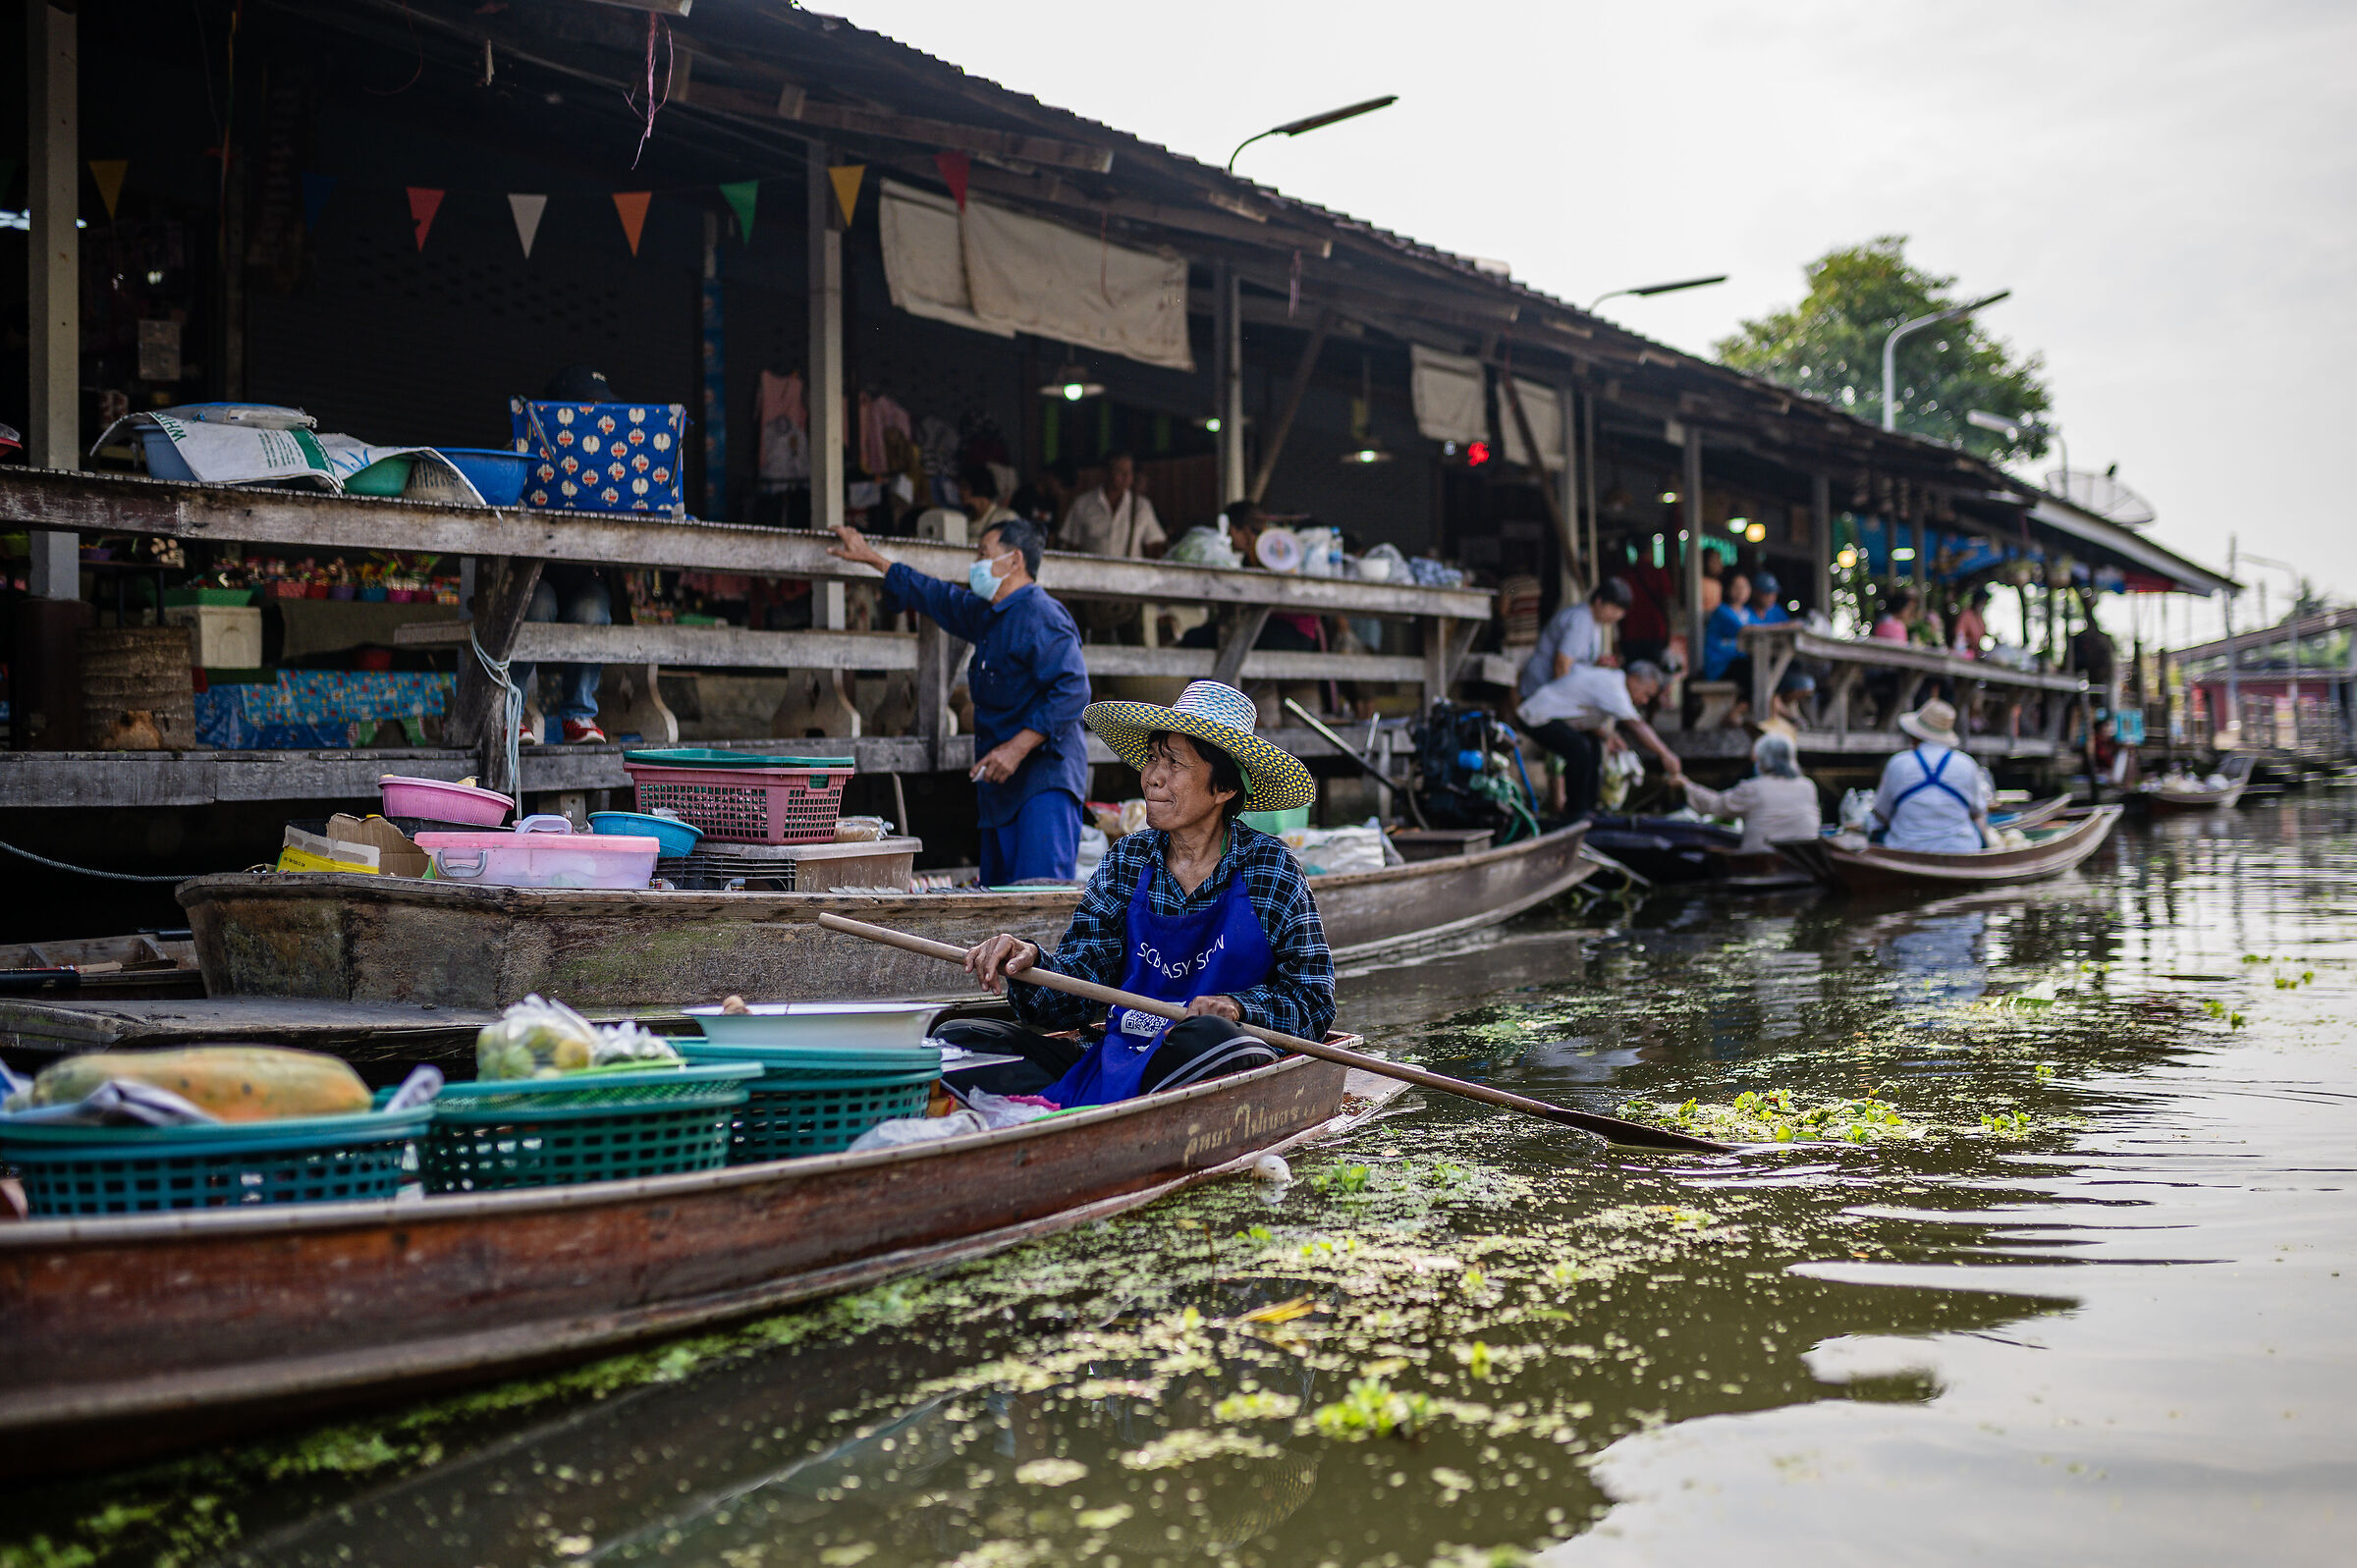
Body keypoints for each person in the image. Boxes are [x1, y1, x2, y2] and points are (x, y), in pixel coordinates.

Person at [943, 680, 1332, 1108]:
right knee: (956, 1040)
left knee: (1212, 1037)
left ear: (1223, 789)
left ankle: (1132, 1102)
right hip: (1121, 1053)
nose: (1152, 777)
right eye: (1152, 758)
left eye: (1174, 763)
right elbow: (1079, 987)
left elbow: (1313, 1001)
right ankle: (1116, 1101)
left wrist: (1238, 1008)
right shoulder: (1128, 859)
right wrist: (1028, 963)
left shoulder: (1269, 866)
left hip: (1204, 1056)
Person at [829, 514, 1090, 885]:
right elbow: (937, 596)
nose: (976, 563)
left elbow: (1073, 690)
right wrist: (873, 558)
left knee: (1038, 898)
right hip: (1000, 789)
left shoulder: (1042, 615)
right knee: (999, 903)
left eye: (983, 553)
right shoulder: (989, 615)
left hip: (1042, 784)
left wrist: (1016, 749)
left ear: (1014, 560)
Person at [514, 364, 624, 744]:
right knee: (536, 605)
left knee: (593, 610)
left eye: (603, 408)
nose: (597, 416)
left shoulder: (619, 461)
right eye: (587, 406)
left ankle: (579, 715)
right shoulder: (529, 449)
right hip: (535, 573)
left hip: (585, 574)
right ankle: (512, 712)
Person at [1516, 660, 1684, 818]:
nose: (1645, 701)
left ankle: (1588, 807)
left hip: (1553, 717)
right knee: (1580, 749)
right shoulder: (1614, 687)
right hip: (1536, 716)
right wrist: (1665, 754)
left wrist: (1608, 736)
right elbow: (1637, 726)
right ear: (1634, 679)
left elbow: (1585, 713)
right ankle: (1577, 811)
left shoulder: (1612, 681)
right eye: (1646, 694)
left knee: (1593, 745)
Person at [1872, 699, 1995, 853]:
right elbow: (1978, 813)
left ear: (1915, 735)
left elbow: (1881, 814)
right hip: (1961, 850)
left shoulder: (1898, 763)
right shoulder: (1966, 763)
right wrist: (1988, 847)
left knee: (1877, 832)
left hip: (1906, 849)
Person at [1680, 731, 1823, 852]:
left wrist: (1686, 785)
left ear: (1762, 760)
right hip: (1804, 859)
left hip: (1762, 860)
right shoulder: (1808, 786)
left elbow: (1715, 805)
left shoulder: (1753, 788)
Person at [1519, 578, 1631, 700]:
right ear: (1599, 602)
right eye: (1615, 609)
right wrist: (1564, 700)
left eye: (1622, 611)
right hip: (1542, 688)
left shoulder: (1594, 620)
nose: (1619, 615)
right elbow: (1562, 664)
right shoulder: (1581, 620)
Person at [1059, 451, 1165, 560]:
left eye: (1129, 471)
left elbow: (1154, 545)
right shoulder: (1083, 504)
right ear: (1106, 473)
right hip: (1092, 570)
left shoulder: (1142, 506)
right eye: (1120, 471)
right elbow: (1071, 546)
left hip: (1129, 570)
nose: (1126, 476)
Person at [1702, 570, 1753, 681]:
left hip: (1740, 663)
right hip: (1721, 667)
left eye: (1744, 586)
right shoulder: (1721, 611)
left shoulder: (1749, 613)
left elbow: (1763, 628)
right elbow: (1744, 630)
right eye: (1737, 587)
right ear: (1728, 589)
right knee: (1753, 670)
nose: (1741, 591)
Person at [1950, 585, 1990, 658]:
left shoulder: (1980, 618)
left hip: (1974, 654)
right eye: (1983, 603)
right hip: (1963, 652)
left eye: (1985, 603)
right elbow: (1959, 633)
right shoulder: (1967, 615)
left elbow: (1983, 634)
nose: (1984, 606)